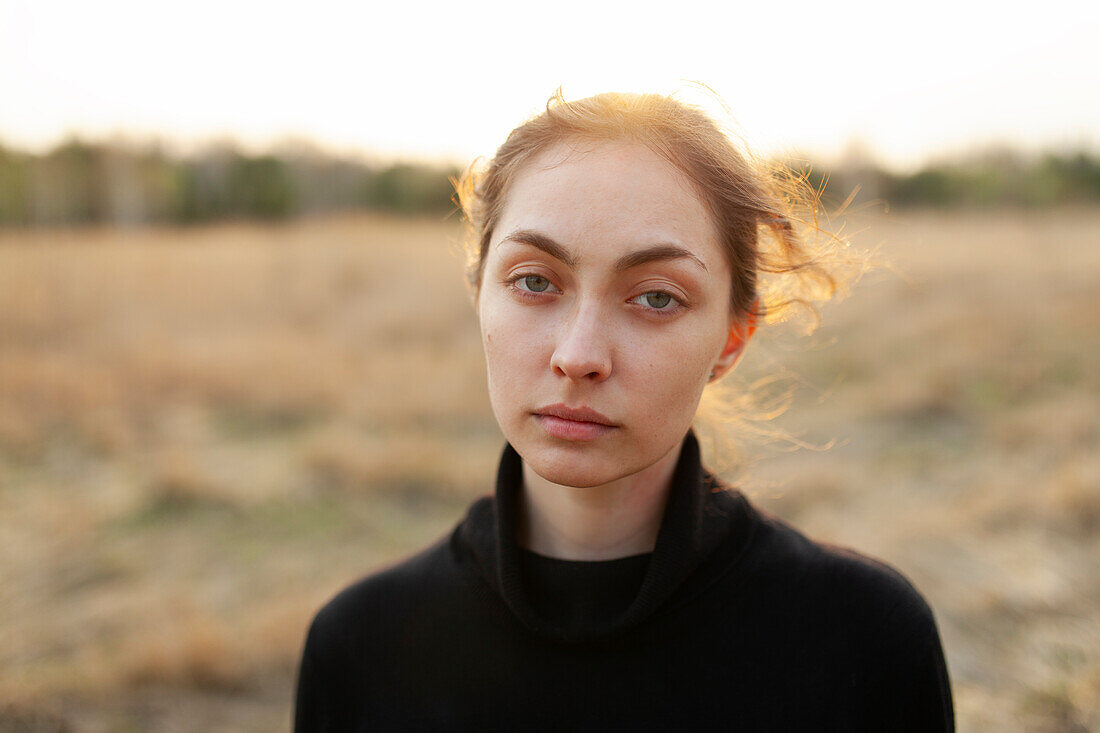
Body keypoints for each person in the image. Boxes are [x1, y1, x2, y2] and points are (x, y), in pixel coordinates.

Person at [293, 90, 954, 731]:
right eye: (534, 281)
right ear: (479, 293)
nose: (578, 356)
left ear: (731, 338)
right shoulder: (359, 647)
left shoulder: (865, 642)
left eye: (657, 298)